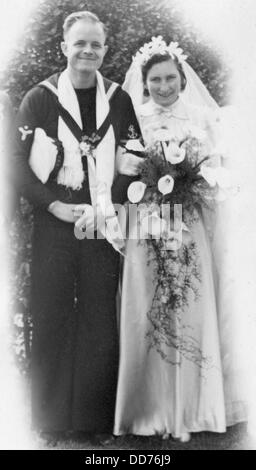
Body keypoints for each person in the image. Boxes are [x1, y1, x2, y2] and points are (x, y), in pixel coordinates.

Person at [12, 11, 141, 440]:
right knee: (49, 316)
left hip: (100, 226)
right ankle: (48, 422)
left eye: (96, 45)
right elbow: (13, 162)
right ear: (64, 47)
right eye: (80, 43)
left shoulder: (119, 99)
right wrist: (52, 206)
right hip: (55, 224)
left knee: (99, 322)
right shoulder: (40, 98)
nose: (88, 51)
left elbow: (134, 158)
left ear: (105, 51)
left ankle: (92, 423)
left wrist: (108, 204)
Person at [114, 38, 247, 441]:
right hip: (149, 221)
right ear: (145, 81)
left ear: (182, 79)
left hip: (191, 223)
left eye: (171, 78)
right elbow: (124, 171)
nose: (164, 86)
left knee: (190, 304)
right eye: (155, 79)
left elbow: (218, 173)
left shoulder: (202, 120)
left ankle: (194, 407)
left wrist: (196, 182)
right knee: (149, 305)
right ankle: (148, 408)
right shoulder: (134, 119)